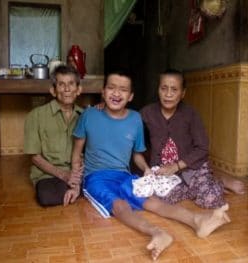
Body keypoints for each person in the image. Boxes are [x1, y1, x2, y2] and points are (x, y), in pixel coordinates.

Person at [71, 70, 230, 260]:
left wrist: (145, 169)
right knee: (120, 205)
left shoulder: (135, 118)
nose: (116, 93)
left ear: (130, 96)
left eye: (123, 90)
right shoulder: (89, 115)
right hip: (96, 177)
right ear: (103, 92)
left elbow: (137, 153)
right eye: (111, 88)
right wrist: (74, 180)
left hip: (124, 175)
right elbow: (77, 151)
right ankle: (157, 232)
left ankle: (196, 221)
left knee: (152, 200)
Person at [140, 69, 245, 209]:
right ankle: (202, 185)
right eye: (163, 88)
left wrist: (176, 166)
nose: (168, 94)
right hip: (163, 170)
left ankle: (218, 181)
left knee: (210, 199)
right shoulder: (147, 112)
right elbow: (128, 121)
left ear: (183, 93)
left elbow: (203, 147)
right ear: (158, 90)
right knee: (157, 197)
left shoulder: (190, 114)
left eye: (174, 89)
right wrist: (106, 108)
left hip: (192, 167)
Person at [24, 65, 83, 207]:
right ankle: (75, 190)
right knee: (47, 197)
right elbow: (34, 156)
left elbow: (90, 152)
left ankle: (77, 188)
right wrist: (63, 175)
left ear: (79, 89)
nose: (67, 89)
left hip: (76, 172)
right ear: (53, 90)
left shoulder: (86, 116)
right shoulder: (36, 116)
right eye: (61, 84)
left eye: (71, 84)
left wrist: (76, 177)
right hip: (48, 174)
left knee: (99, 184)